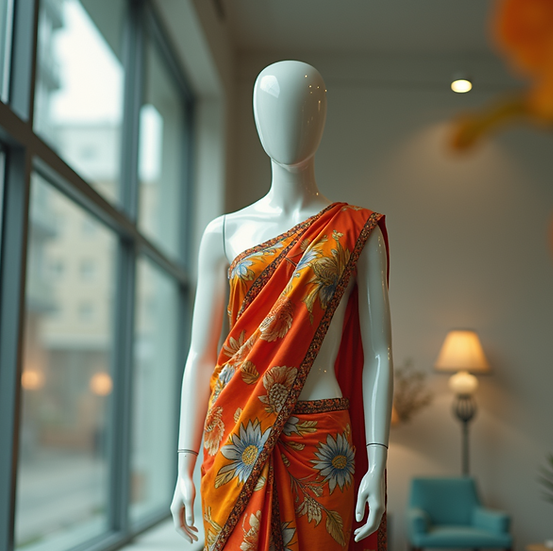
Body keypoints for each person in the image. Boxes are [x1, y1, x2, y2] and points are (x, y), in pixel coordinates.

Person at [170, 60, 393, 551]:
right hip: (234, 438)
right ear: (256, 121)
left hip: (321, 442)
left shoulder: (355, 232)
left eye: (304, 111)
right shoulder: (223, 232)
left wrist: (378, 462)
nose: (290, 125)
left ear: (323, 119)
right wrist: (184, 462)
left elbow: (379, 354)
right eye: (274, 110)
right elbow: (200, 357)